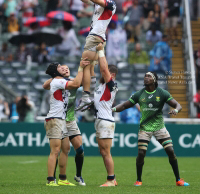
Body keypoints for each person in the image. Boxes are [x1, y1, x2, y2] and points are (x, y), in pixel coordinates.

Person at [112, 72, 190, 187]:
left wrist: (176, 110)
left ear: (154, 80)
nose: (146, 78)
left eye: (149, 76)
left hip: (159, 127)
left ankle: (178, 180)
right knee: (141, 153)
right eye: (145, 76)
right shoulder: (139, 94)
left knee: (171, 151)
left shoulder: (162, 93)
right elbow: (124, 105)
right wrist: (111, 109)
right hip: (145, 128)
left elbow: (178, 105)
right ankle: (138, 180)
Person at [69, 0, 116, 111]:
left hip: (94, 37)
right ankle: (92, 96)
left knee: (84, 65)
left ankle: (85, 98)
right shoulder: (99, 5)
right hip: (99, 37)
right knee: (90, 68)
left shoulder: (110, 3)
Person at [44, 60, 89, 186]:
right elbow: (75, 84)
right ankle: (50, 180)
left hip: (62, 119)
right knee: (55, 150)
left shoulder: (59, 80)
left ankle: (62, 179)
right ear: (55, 71)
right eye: (59, 67)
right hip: (55, 119)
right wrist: (80, 67)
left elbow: (77, 83)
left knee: (65, 148)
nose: (63, 68)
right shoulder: (58, 81)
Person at [92, 43, 118, 186]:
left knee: (106, 152)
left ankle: (110, 179)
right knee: (102, 151)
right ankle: (112, 178)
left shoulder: (112, 84)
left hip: (105, 120)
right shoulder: (101, 86)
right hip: (100, 120)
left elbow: (103, 68)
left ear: (111, 74)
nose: (103, 72)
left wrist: (101, 51)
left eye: (107, 72)